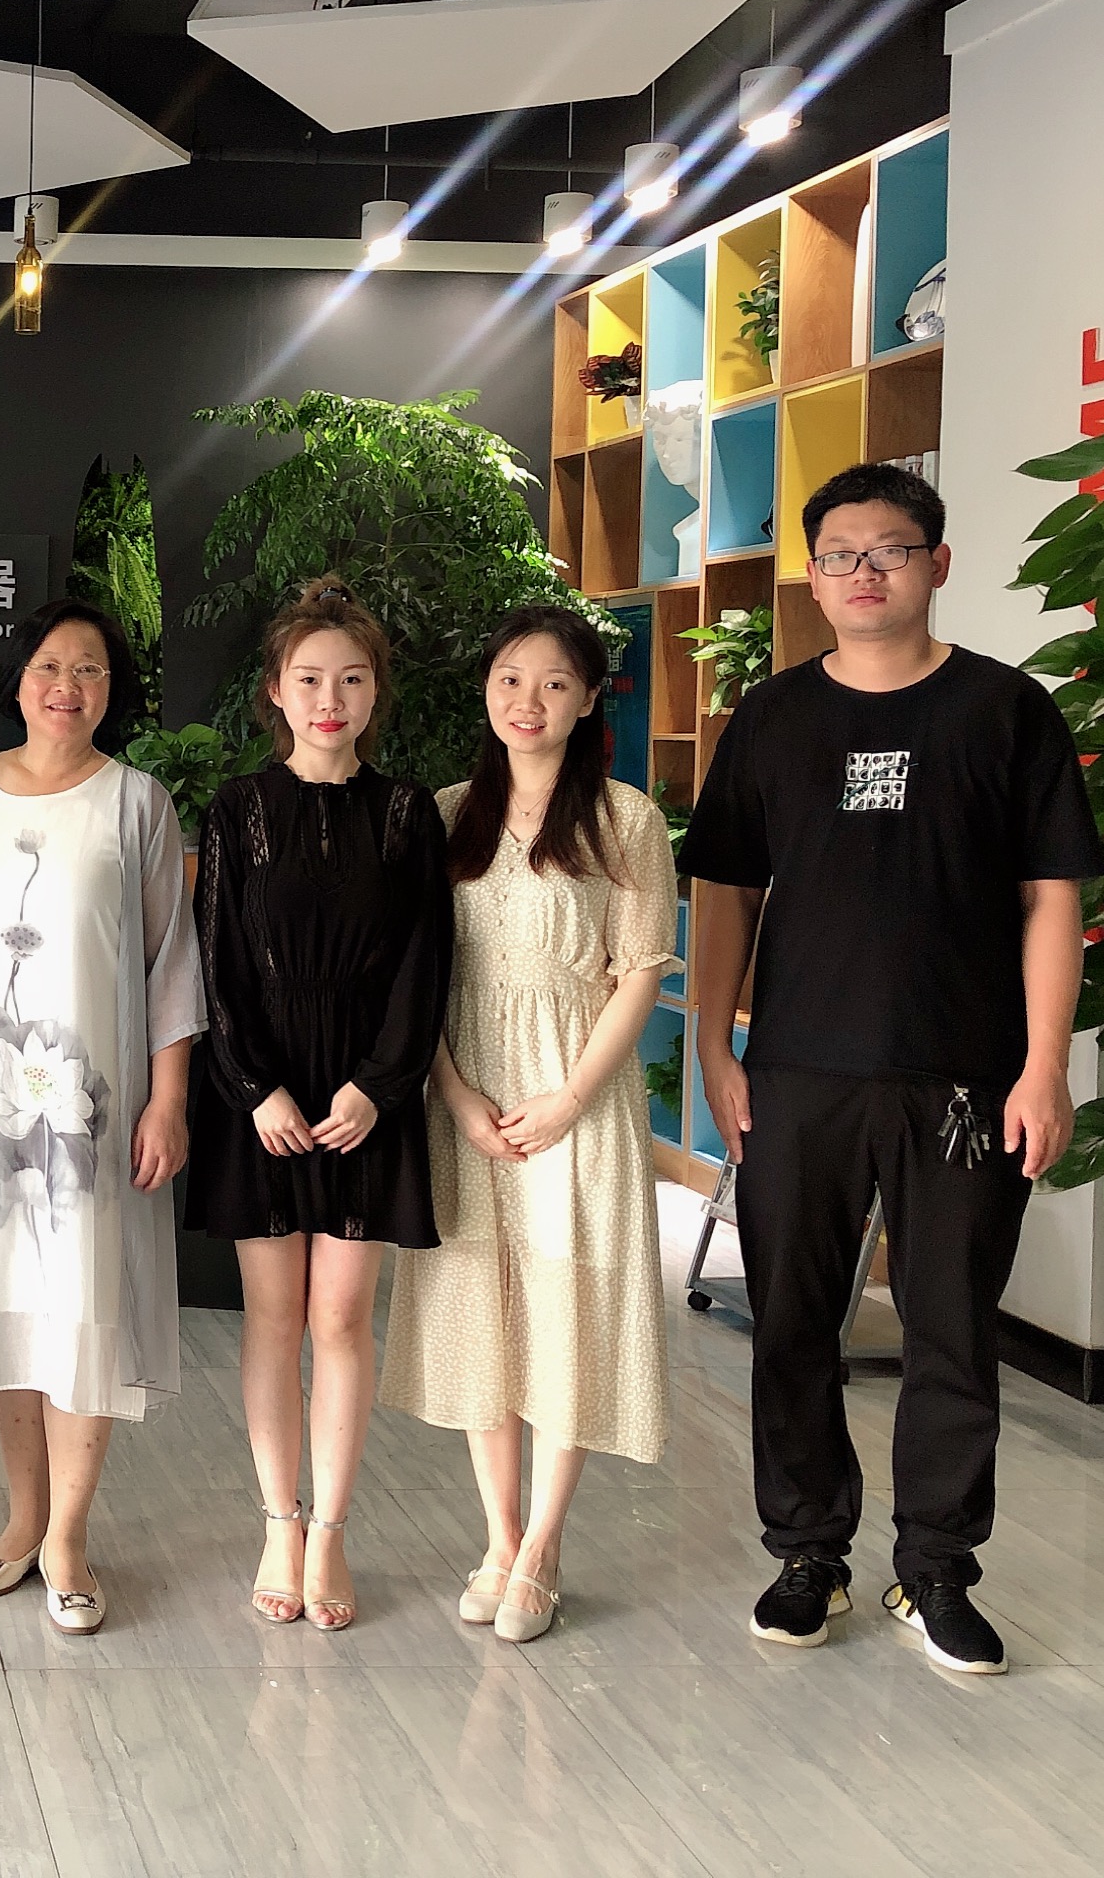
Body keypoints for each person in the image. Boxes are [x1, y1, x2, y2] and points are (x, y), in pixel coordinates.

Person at [683, 462, 1103, 1676]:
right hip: (798, 1072)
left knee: (953, 1330)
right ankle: (808, 1553)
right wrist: (713, 1043)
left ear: (937, 565)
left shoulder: (1004, 712)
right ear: (813, 579)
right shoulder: (773, 719)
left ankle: (937, 1568)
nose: (864, 573)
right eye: (840, 556)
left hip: (964, 1076)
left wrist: (1043, 1066)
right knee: (791, 1325)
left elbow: (1050, 900)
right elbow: (727, 891)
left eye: (890, 551)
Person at [378, 606, 676, 1645]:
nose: (528, 701)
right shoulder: (445, 814)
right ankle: (498, 1537)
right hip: (466, 1093)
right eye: (509, 678)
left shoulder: (626, 821)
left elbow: (639, 973)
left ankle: (544, 1546)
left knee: (565, 1307)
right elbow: (418, 978)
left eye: (553, 683)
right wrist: (457, 1096)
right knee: (484, 1306)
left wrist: (571, 1097)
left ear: (589, 699)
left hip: (574, 1095)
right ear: (486, 690)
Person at [186, 578, 451, 1633]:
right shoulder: (237, 809)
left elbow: (427, 964)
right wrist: (255, 1090)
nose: (329, 699)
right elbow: (215, 963)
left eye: (350, 679)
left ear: (376, 691)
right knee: (274, 1317)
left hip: (364, 1097)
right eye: (308, 680)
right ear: (275, 691)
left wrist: (378, 1087)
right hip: (265, 1098)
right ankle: (278, 1523)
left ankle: (331, 1531)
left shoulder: (408, 813)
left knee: (341, 1317)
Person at [0, 598, 204, 1636]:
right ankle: (21, 1518)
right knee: (9, 1310)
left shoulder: (137, 802)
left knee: (84, 1310)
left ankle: (68, 1538)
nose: (67, 686)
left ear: (111, 690)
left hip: (95, 1111)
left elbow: (172, 962)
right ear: (17, 678)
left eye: (90, 669)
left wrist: (169, 1100)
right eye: (49, 665)